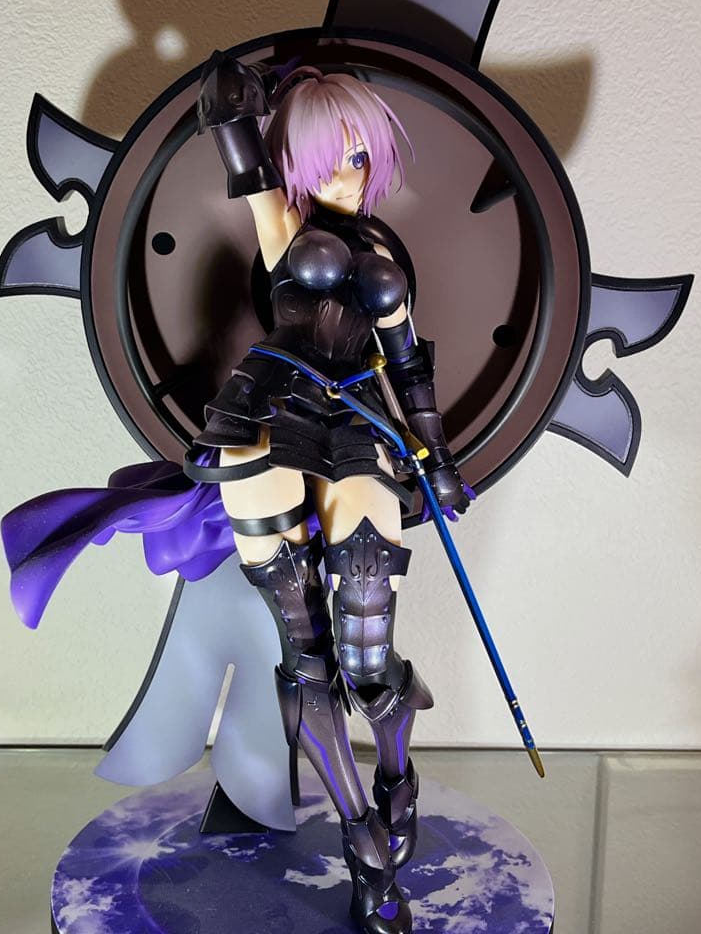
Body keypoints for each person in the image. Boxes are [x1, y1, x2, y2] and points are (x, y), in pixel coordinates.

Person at [186, 52, 472, 934]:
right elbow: (242, 155)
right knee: (304, 655)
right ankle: (364, 846)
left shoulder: (383, 253)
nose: (349, 171)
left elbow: (409, 365)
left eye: (359, 154)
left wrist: (436, 454)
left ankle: (396, 772)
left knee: (366, 643)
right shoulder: (284, 220)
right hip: (271, 409)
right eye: (331, 155)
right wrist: (239, 104)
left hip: (357, 422)